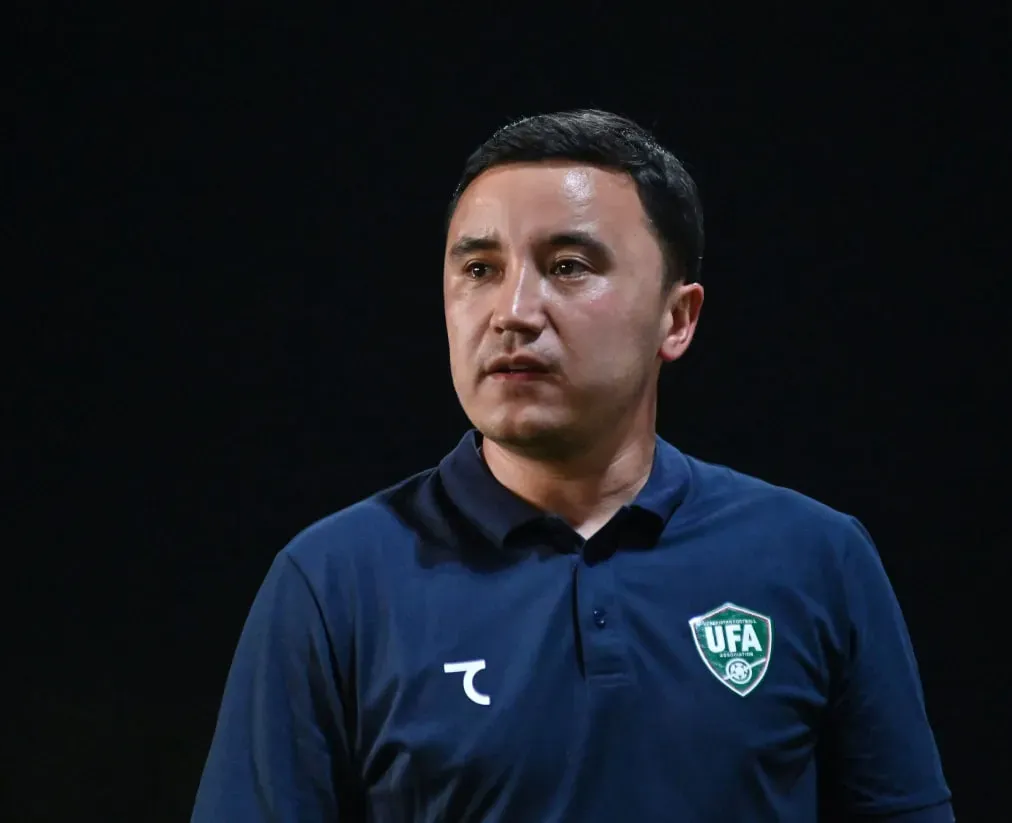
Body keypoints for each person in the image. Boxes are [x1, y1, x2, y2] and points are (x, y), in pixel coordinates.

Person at [191, 109, 954, 822]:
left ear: (677, 317)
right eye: (480, 269)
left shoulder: (816, 557)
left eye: (567, 265)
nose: (513, 311)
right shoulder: (333, 582)